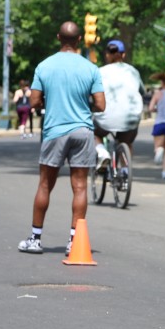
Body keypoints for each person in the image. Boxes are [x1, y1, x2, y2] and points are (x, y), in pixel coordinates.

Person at [17, 21, 105, 255]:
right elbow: (100, 104)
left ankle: (35, 239)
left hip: (55, 130)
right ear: (79, 40)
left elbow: (34, 102)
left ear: (58, 37)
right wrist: (82, 106)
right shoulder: (91, 68)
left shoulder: (44, 66)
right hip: (83, 131)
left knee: (45, 185)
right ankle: (74, 242)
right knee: (80, 187)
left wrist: (50, 103)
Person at [93, 39, 144, 167]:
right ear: (123, 54)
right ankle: (126, 169)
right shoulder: (133, 71)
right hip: (130, 119)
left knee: (92, 132)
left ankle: (101, 152)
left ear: (107, 54)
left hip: (106, 118)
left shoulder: (99, 72)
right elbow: (142, 91)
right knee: (126, 142)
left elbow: (92, 93)